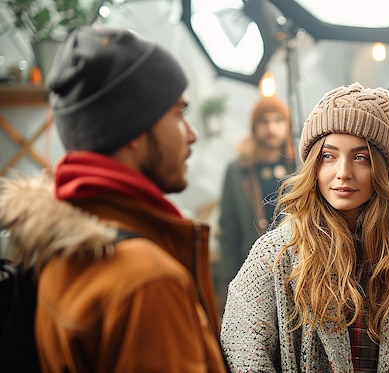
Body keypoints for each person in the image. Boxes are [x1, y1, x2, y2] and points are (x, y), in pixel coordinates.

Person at [0, 27, 227, 372]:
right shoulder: (145, 281)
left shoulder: (58, 245)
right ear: (134, 131)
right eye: (178, 114)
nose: (191, 134)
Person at [220, 83, 389, 372]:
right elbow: (243, 349)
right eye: (328, 156)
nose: (343, 173)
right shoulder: (275, 254)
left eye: (361, 158)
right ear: (314, 167)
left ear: (381, 169)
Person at [216, 95, 296, 310]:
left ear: (288, 125)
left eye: (278, 120)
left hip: (295, 274)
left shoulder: (298, 166)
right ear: (254, 127)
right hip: (250, 274)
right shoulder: (237, 171)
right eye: (264, 121)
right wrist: (228, 281)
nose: (271, 128)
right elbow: (228, 229)